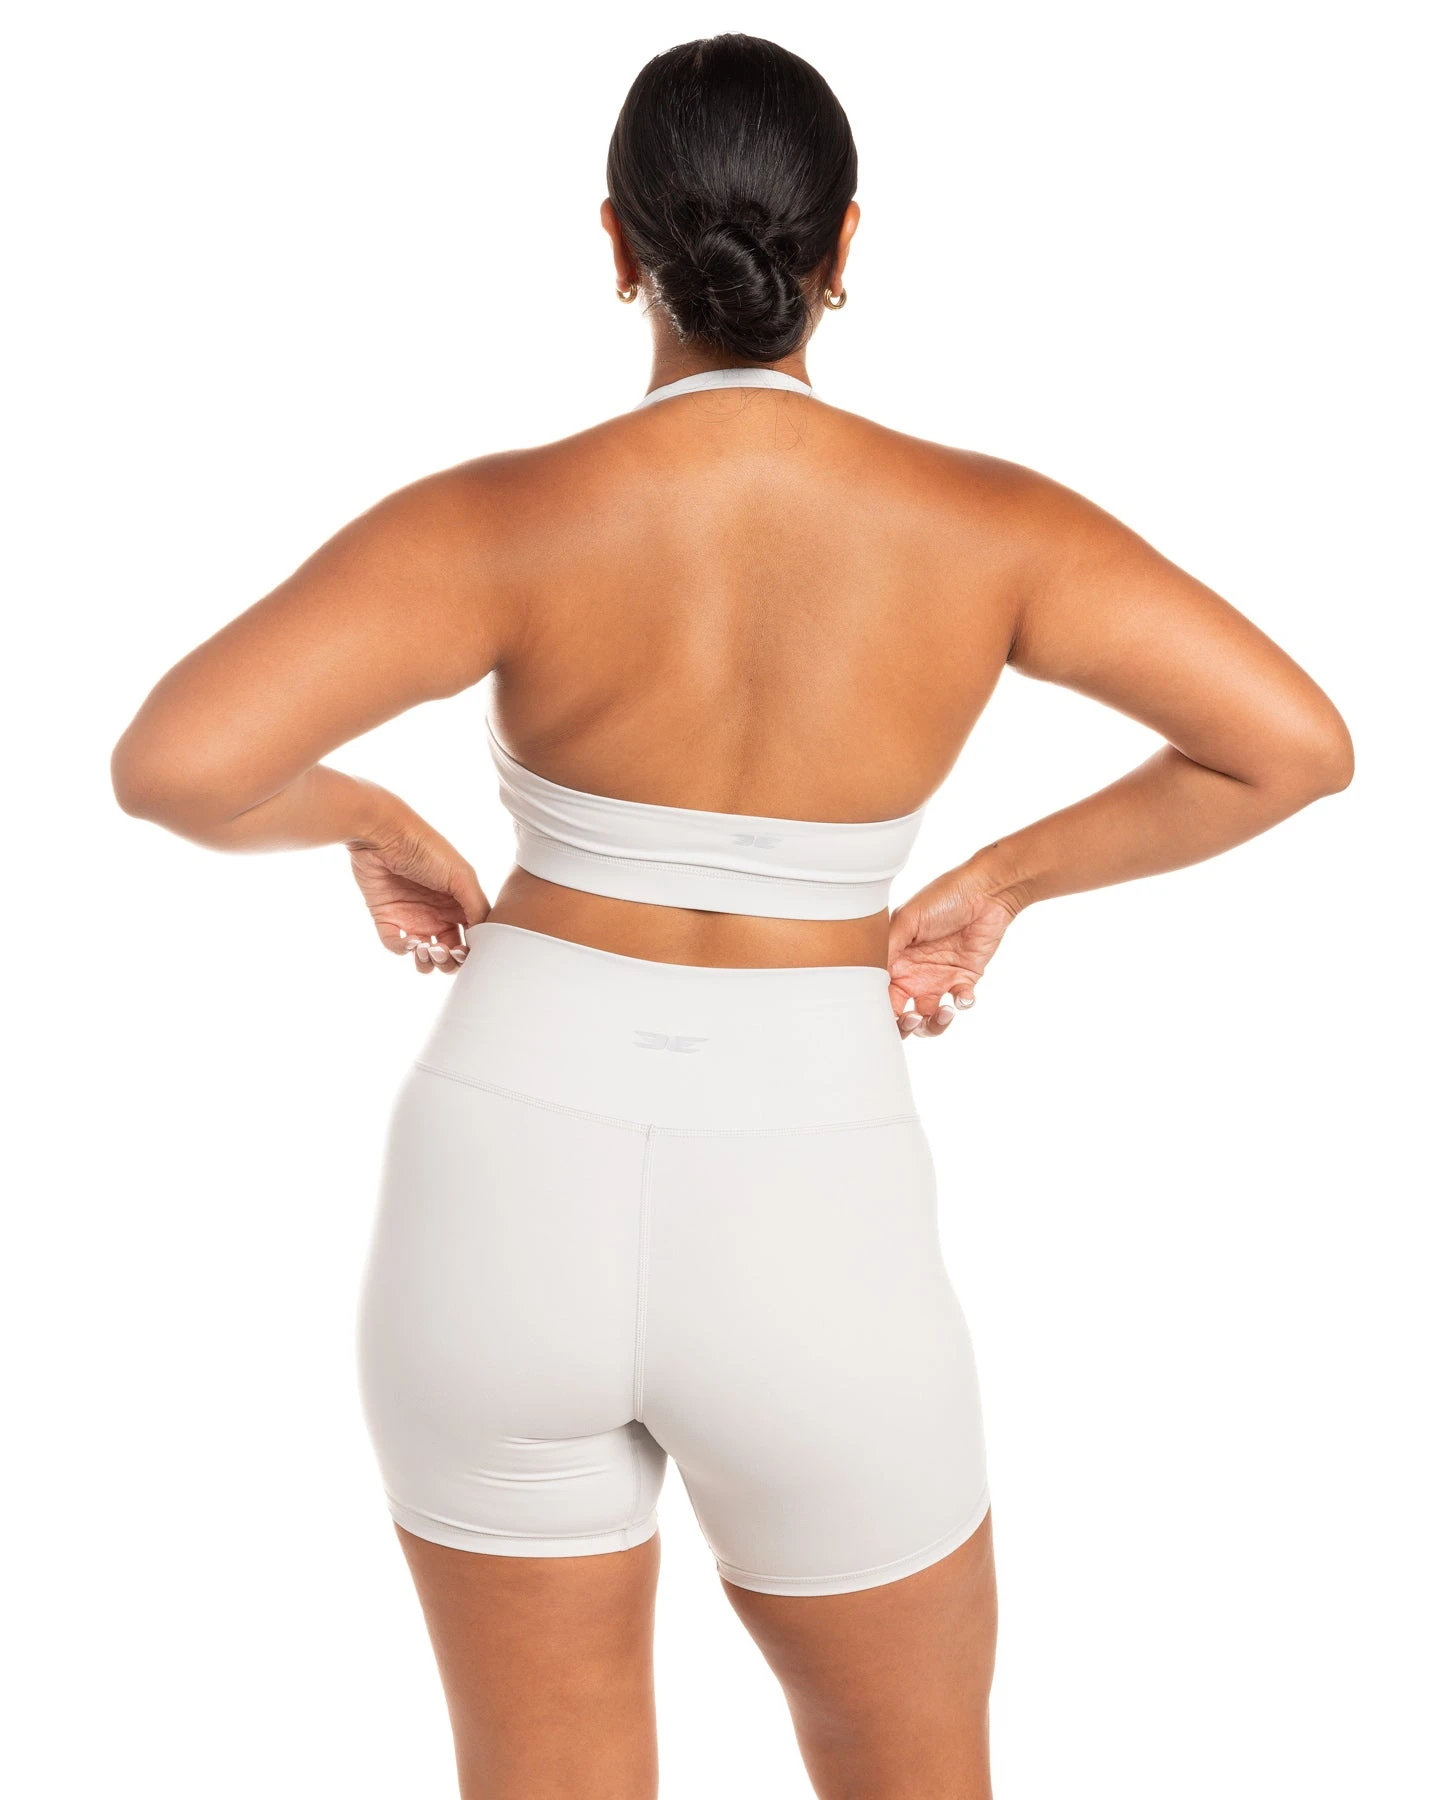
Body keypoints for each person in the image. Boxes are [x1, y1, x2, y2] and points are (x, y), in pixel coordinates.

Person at [110, 32, 1353, 1800]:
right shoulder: (991, 526)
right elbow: (1290, 747)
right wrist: (995, 882)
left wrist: (370, 820)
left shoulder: (500, 517)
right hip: (808, 1176)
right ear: (846, 245)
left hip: (504, 1166)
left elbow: (178, 764)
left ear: (616, 244)